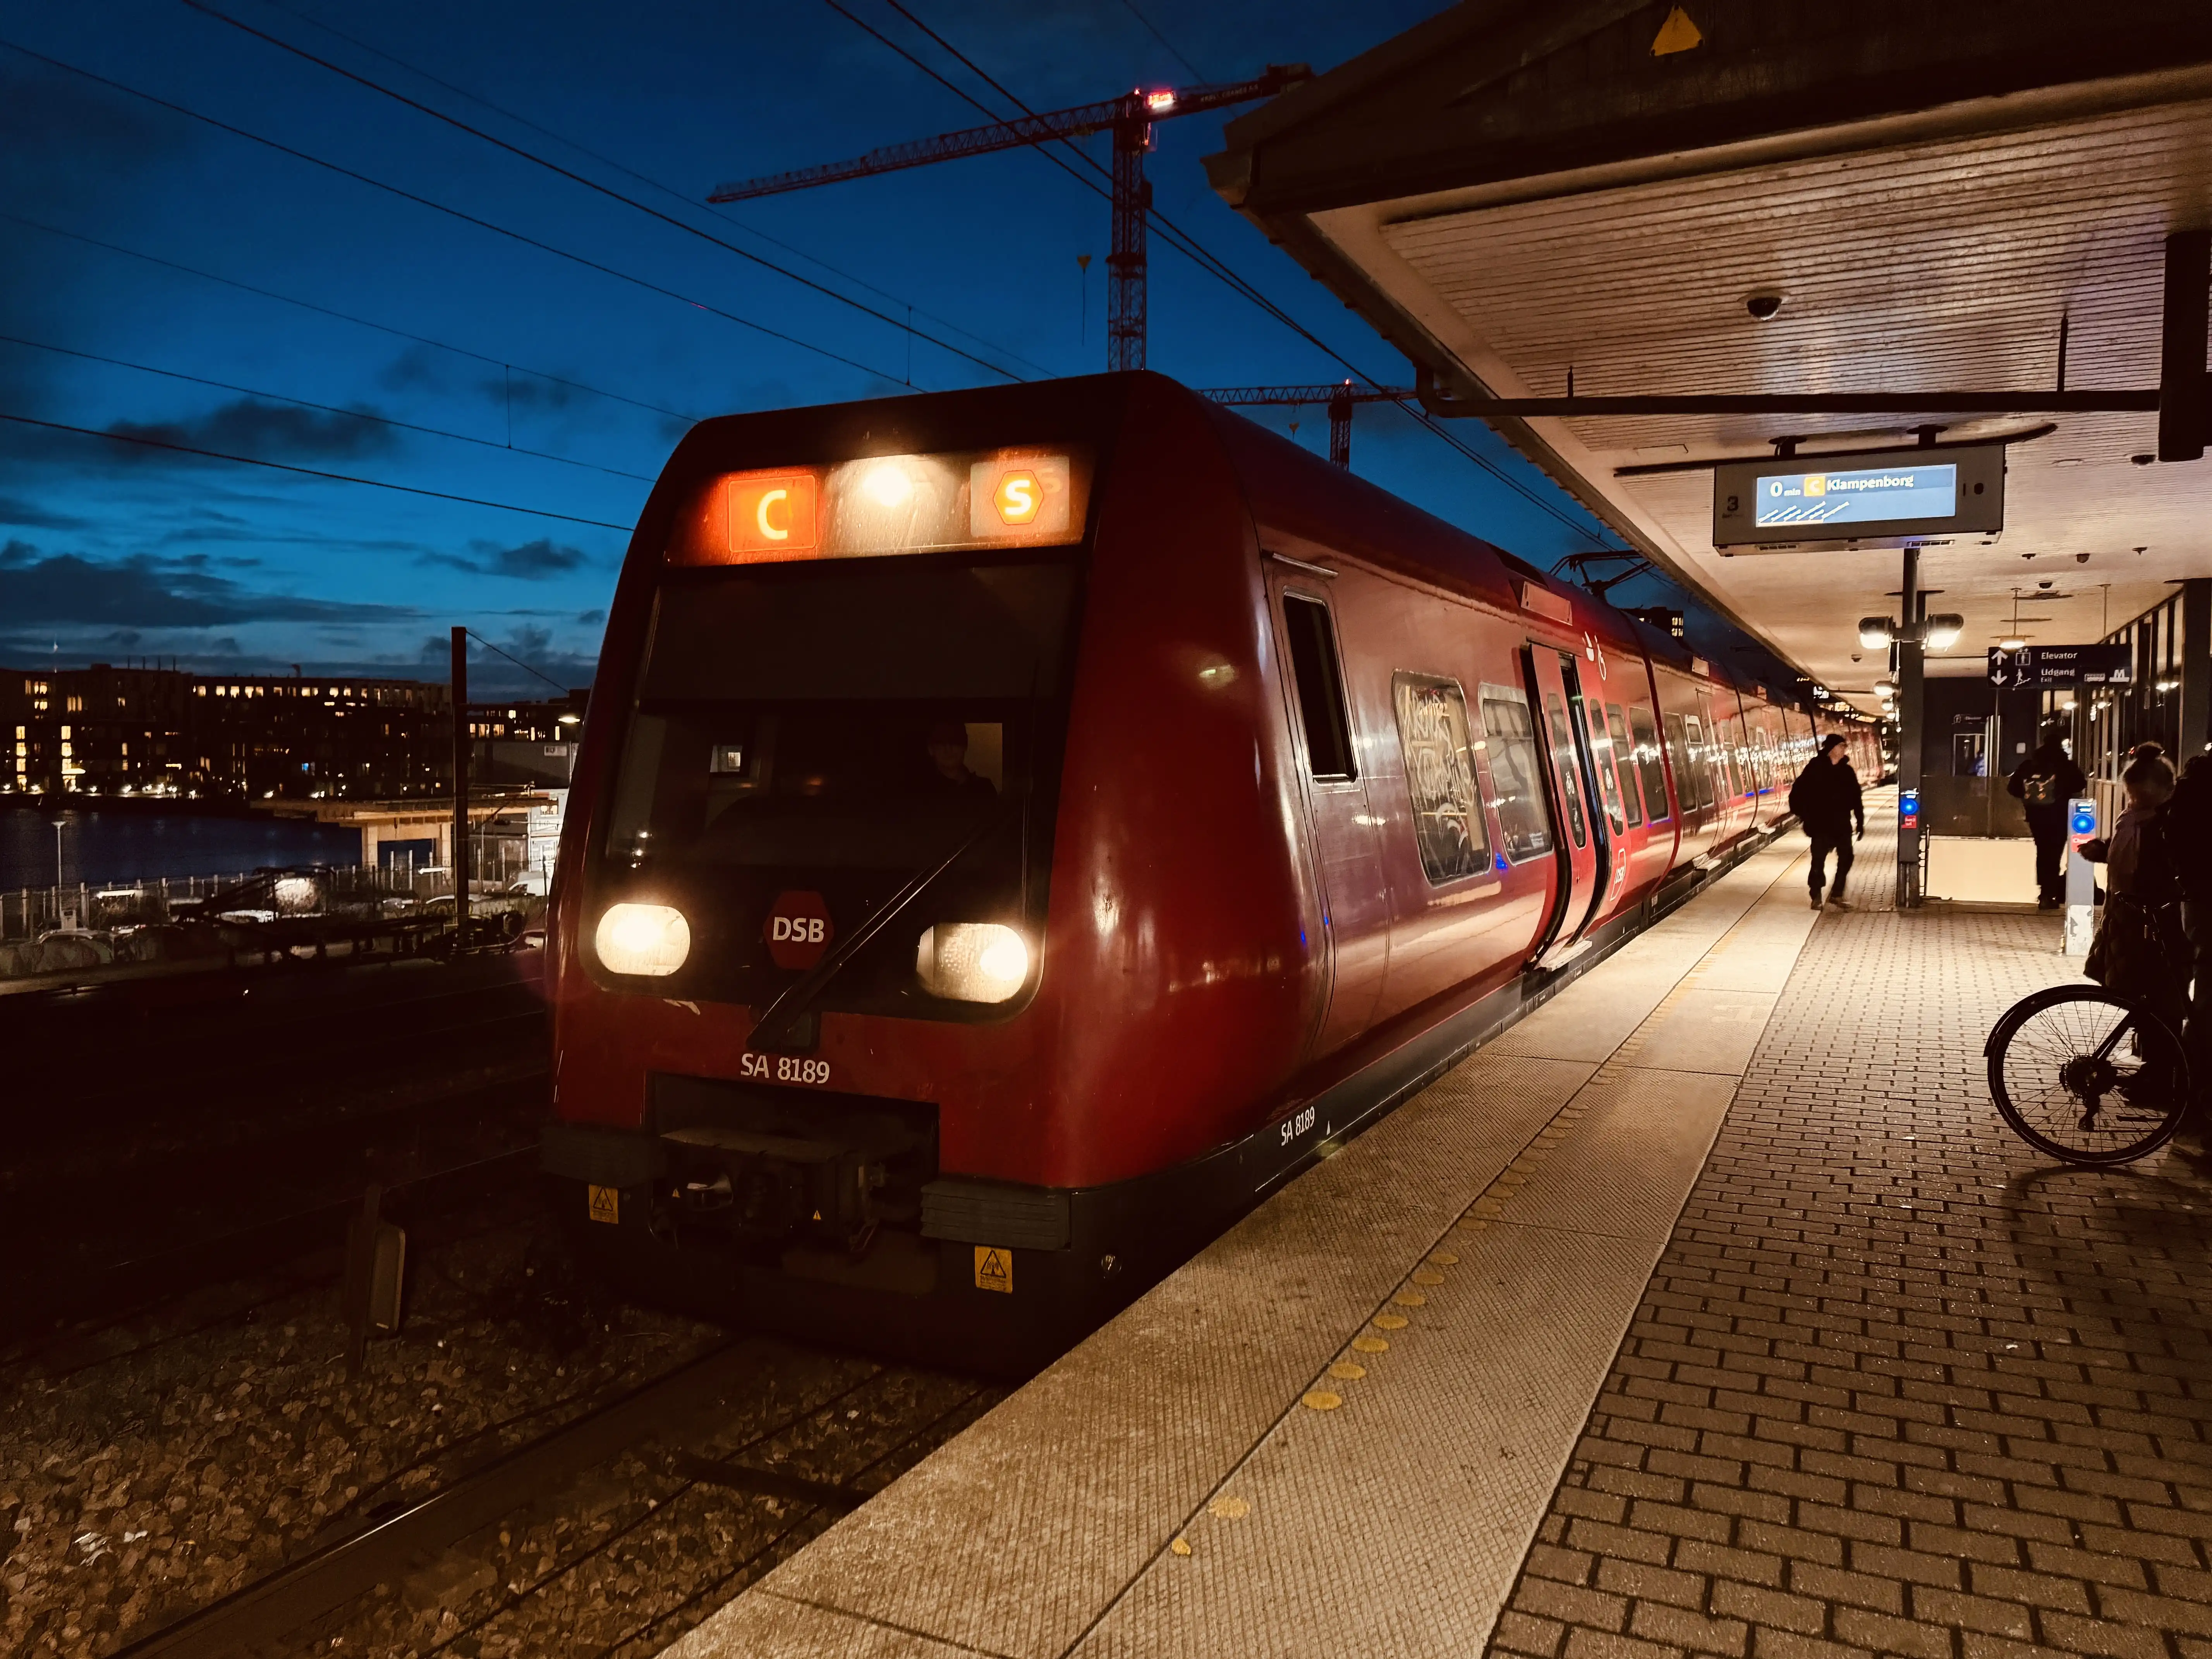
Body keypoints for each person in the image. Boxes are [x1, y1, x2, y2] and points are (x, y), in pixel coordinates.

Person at [2078, 750, 2188, 1097]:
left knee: (2161, 999)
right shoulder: (2132, 819)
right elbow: (2127, 856)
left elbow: (2162, 870)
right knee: (2142, 997)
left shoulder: (2169, 823)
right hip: (2128, 920)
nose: (2136, 801)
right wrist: (2102, 850)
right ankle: (2153, 1069)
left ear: (2166, 790)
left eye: (2143, 795)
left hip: (2158, 923)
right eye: (2133, 794)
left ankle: (2162, 1074)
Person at [2007, 734, 2087, 910]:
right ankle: (2048, 893)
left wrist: (2030, 798)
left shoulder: (2029, 765)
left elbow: (2012, 788)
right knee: (2054, 853)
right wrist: (2062, 792)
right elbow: (2080, 784)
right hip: (2059, 816)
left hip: (2036, 816)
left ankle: (2044, 891)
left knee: (2043, 851)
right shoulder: (2066, 765)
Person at [1789, 734, 1864, 911]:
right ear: (1832, 748)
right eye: (1842, 746)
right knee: (1818, 861)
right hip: (1820, 824)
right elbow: (1797, 793)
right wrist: (1805, 816)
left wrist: (1860, 822)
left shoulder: (1847, 771)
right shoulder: (1815, 768)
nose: (1844, 749)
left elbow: (1856, 798)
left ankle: (1837, 894)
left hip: (1842, 824)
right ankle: (1816, 894)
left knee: (1847, 857)